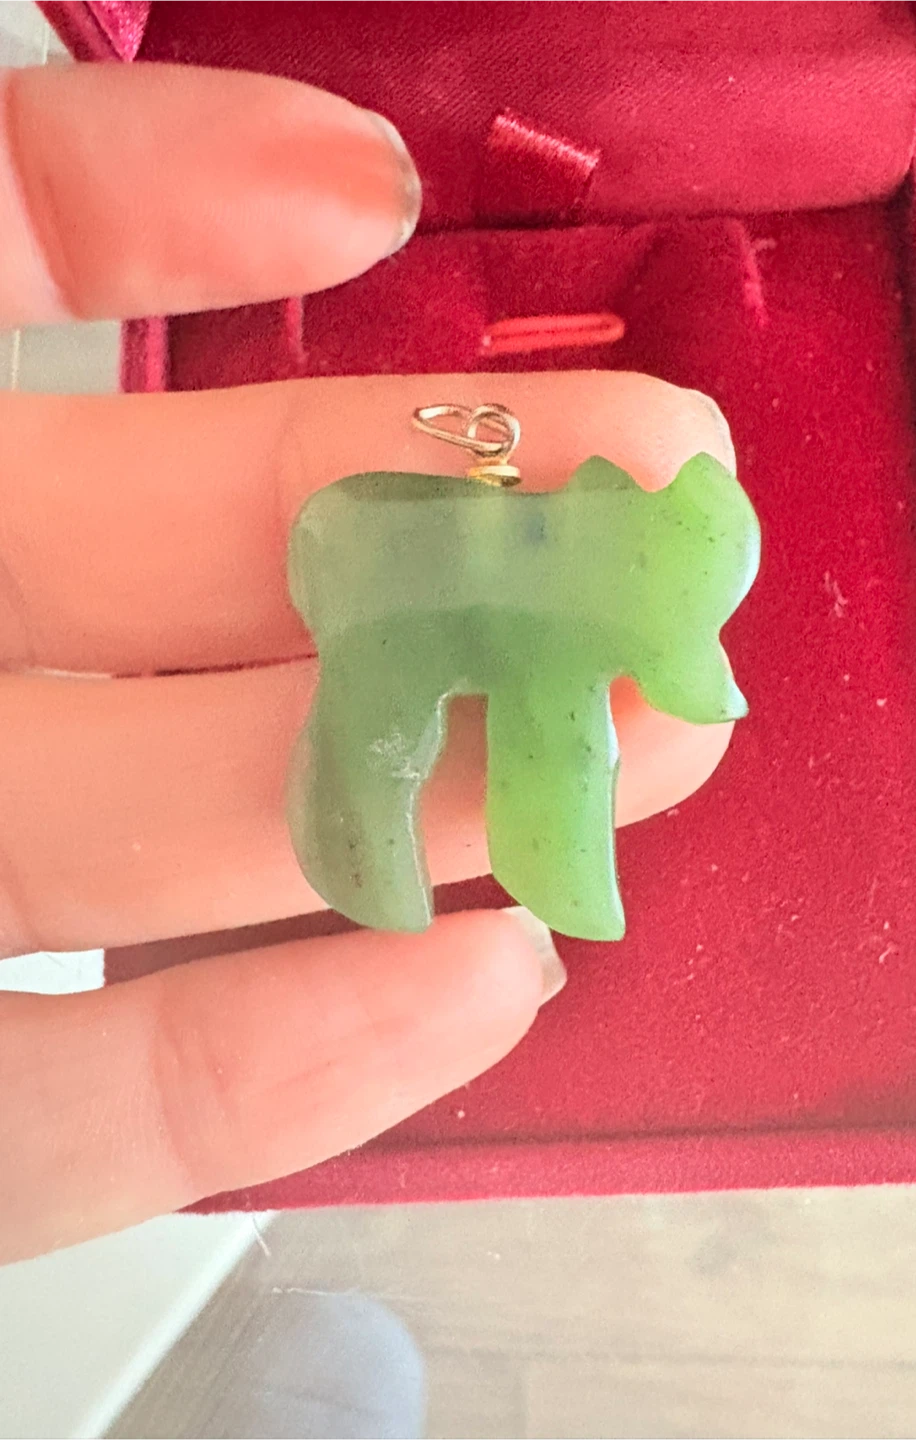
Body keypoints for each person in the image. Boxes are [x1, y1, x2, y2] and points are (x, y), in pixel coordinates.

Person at [0, 59, 733, 1265]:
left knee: (479, 738)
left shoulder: (567, 577)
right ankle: (379, 849)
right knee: (392, 731)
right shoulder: (494, 566)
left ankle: (422, 852)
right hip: (409, 576)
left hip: (440, 563)